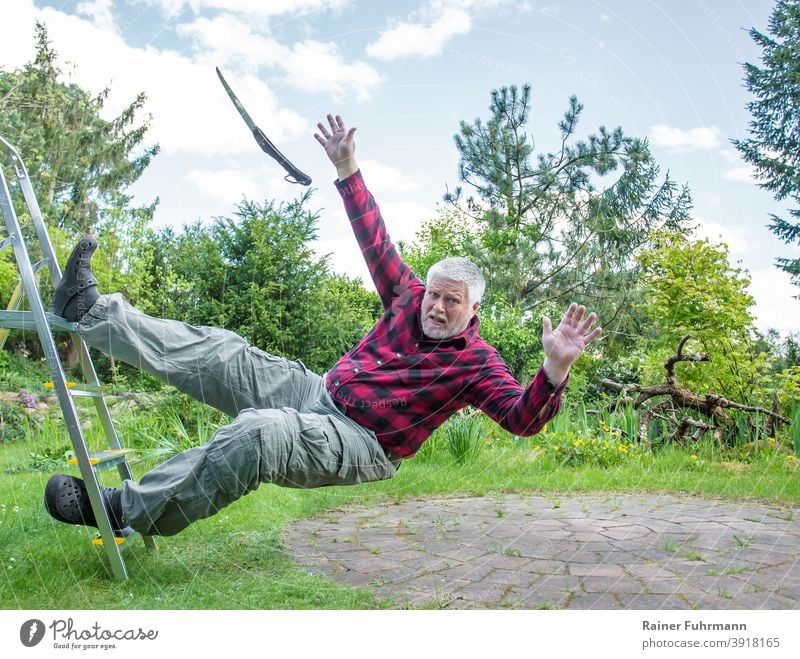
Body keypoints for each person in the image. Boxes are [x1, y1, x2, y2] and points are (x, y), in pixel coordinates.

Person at [44, 114, 602, 537]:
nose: (435, 307)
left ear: (472, 310)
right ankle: (87, 311)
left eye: (450, 302)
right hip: (319, 391)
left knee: (258, 434)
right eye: (433, 294)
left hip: (362, 443)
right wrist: (346, 169)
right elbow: (374, 238)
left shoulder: (477, 364)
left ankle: (123, 510)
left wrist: (554, 368)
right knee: (221, 352)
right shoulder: (405, 297)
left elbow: (521, 419)